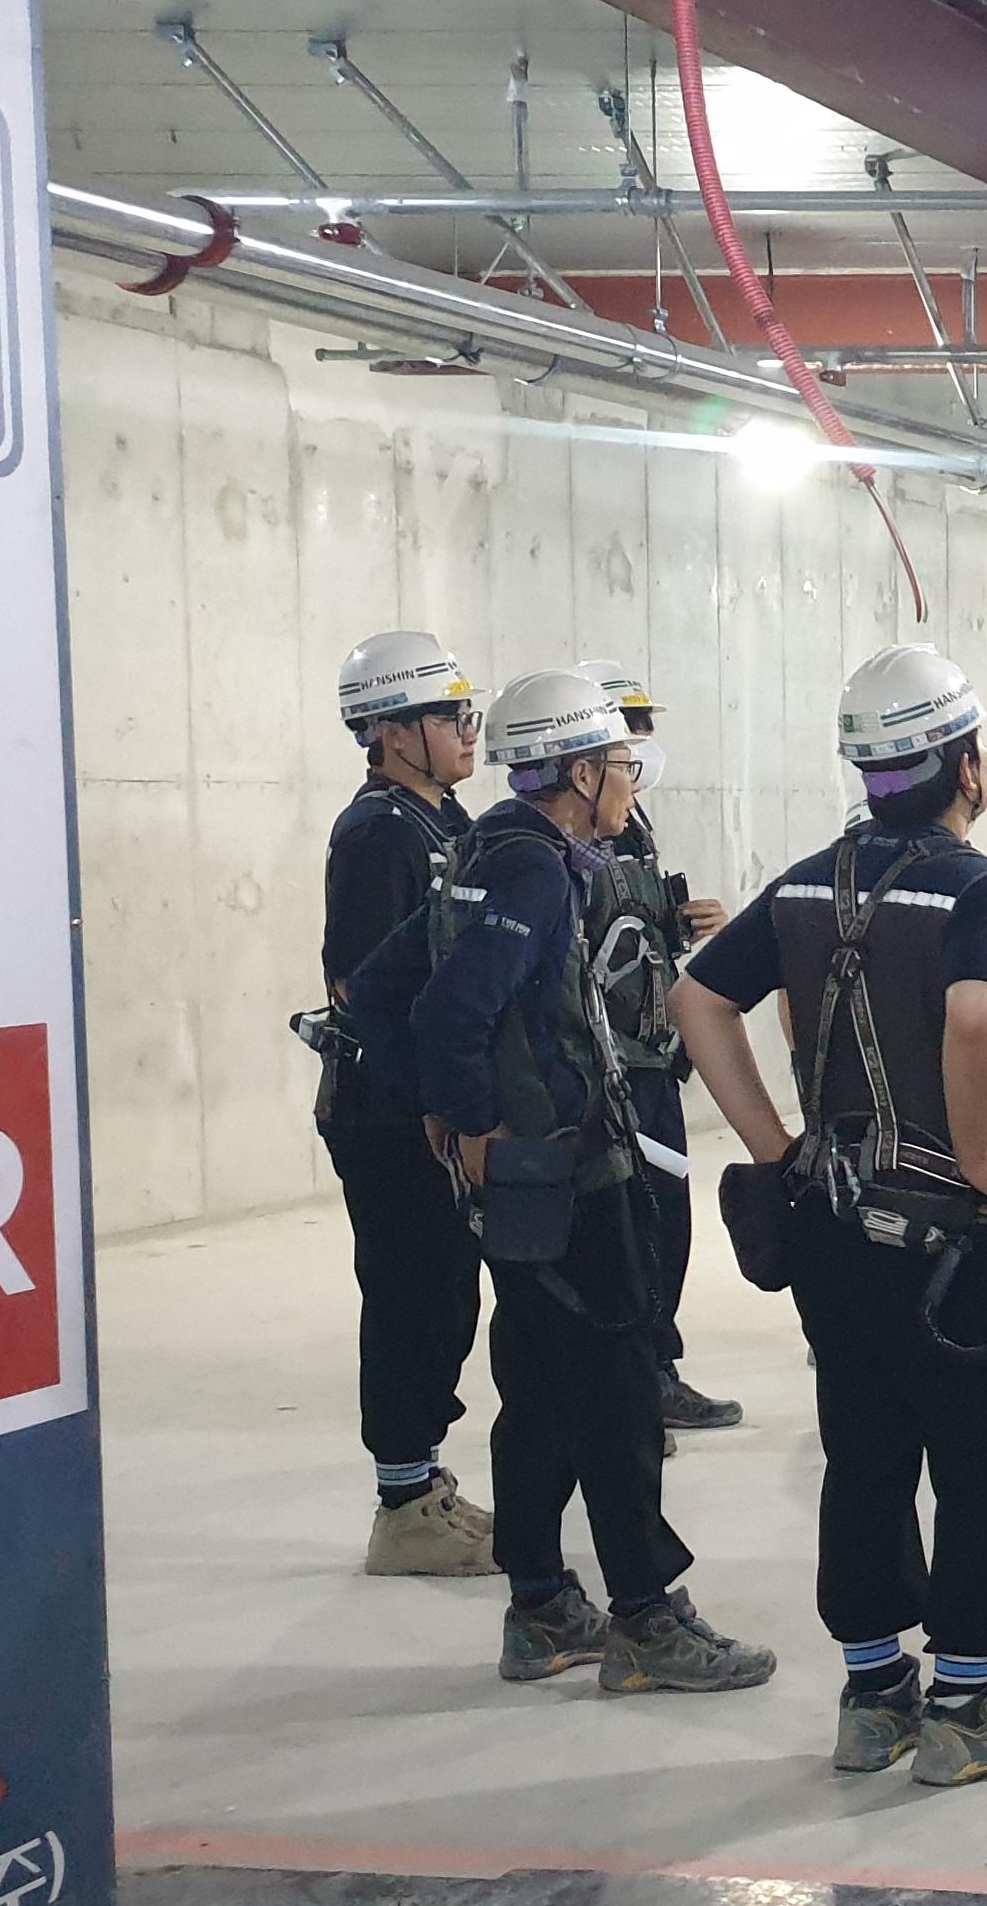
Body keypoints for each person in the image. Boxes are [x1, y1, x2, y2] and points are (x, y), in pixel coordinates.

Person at [673, 644, 987, 1789]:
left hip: (829, 1223)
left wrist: (775, 1149)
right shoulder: (978, 889)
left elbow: (698, 998)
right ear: (966, 766)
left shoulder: (808, 885)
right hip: (949, 1240)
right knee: (986, 1465)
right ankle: (965, 1707)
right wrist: (975, 1151)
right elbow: (978, 1015)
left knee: (862, 1455)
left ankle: (872, 1697)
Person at [381, 670, 771, 1699]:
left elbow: (383, 990)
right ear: (583, 772)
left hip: (531, 1178)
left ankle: (542, 1604)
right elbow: (447, 1012)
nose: (630, 784)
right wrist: (472, 1120)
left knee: (541, 1388)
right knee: (617, 1394)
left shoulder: (480, 848)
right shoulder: (535, 872)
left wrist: (447, 1118)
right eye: (620, 765)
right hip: (569, 1171)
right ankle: (645, 1614)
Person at [318, 630, 497, 1577]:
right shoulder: (380, 833)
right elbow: (360, 981)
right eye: (450, 715)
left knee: (445, 1295)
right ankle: (402, 1506)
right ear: (393, 733)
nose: (470, 729)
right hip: (388, 1112)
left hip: (427, 1102)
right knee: (409, 1296)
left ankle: (422, 1482)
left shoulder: (442, 820)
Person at [577, 661, 742, 1435]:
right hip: (609, 1073)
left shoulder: (632, 824)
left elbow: (625, 939)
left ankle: (655, 1373)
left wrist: (680, 925)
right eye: (630, 733)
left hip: (651, 1063)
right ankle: (628, 1390)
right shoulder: (570, 840)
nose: (644, 745)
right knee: (625, 1231)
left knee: (666, 1222)